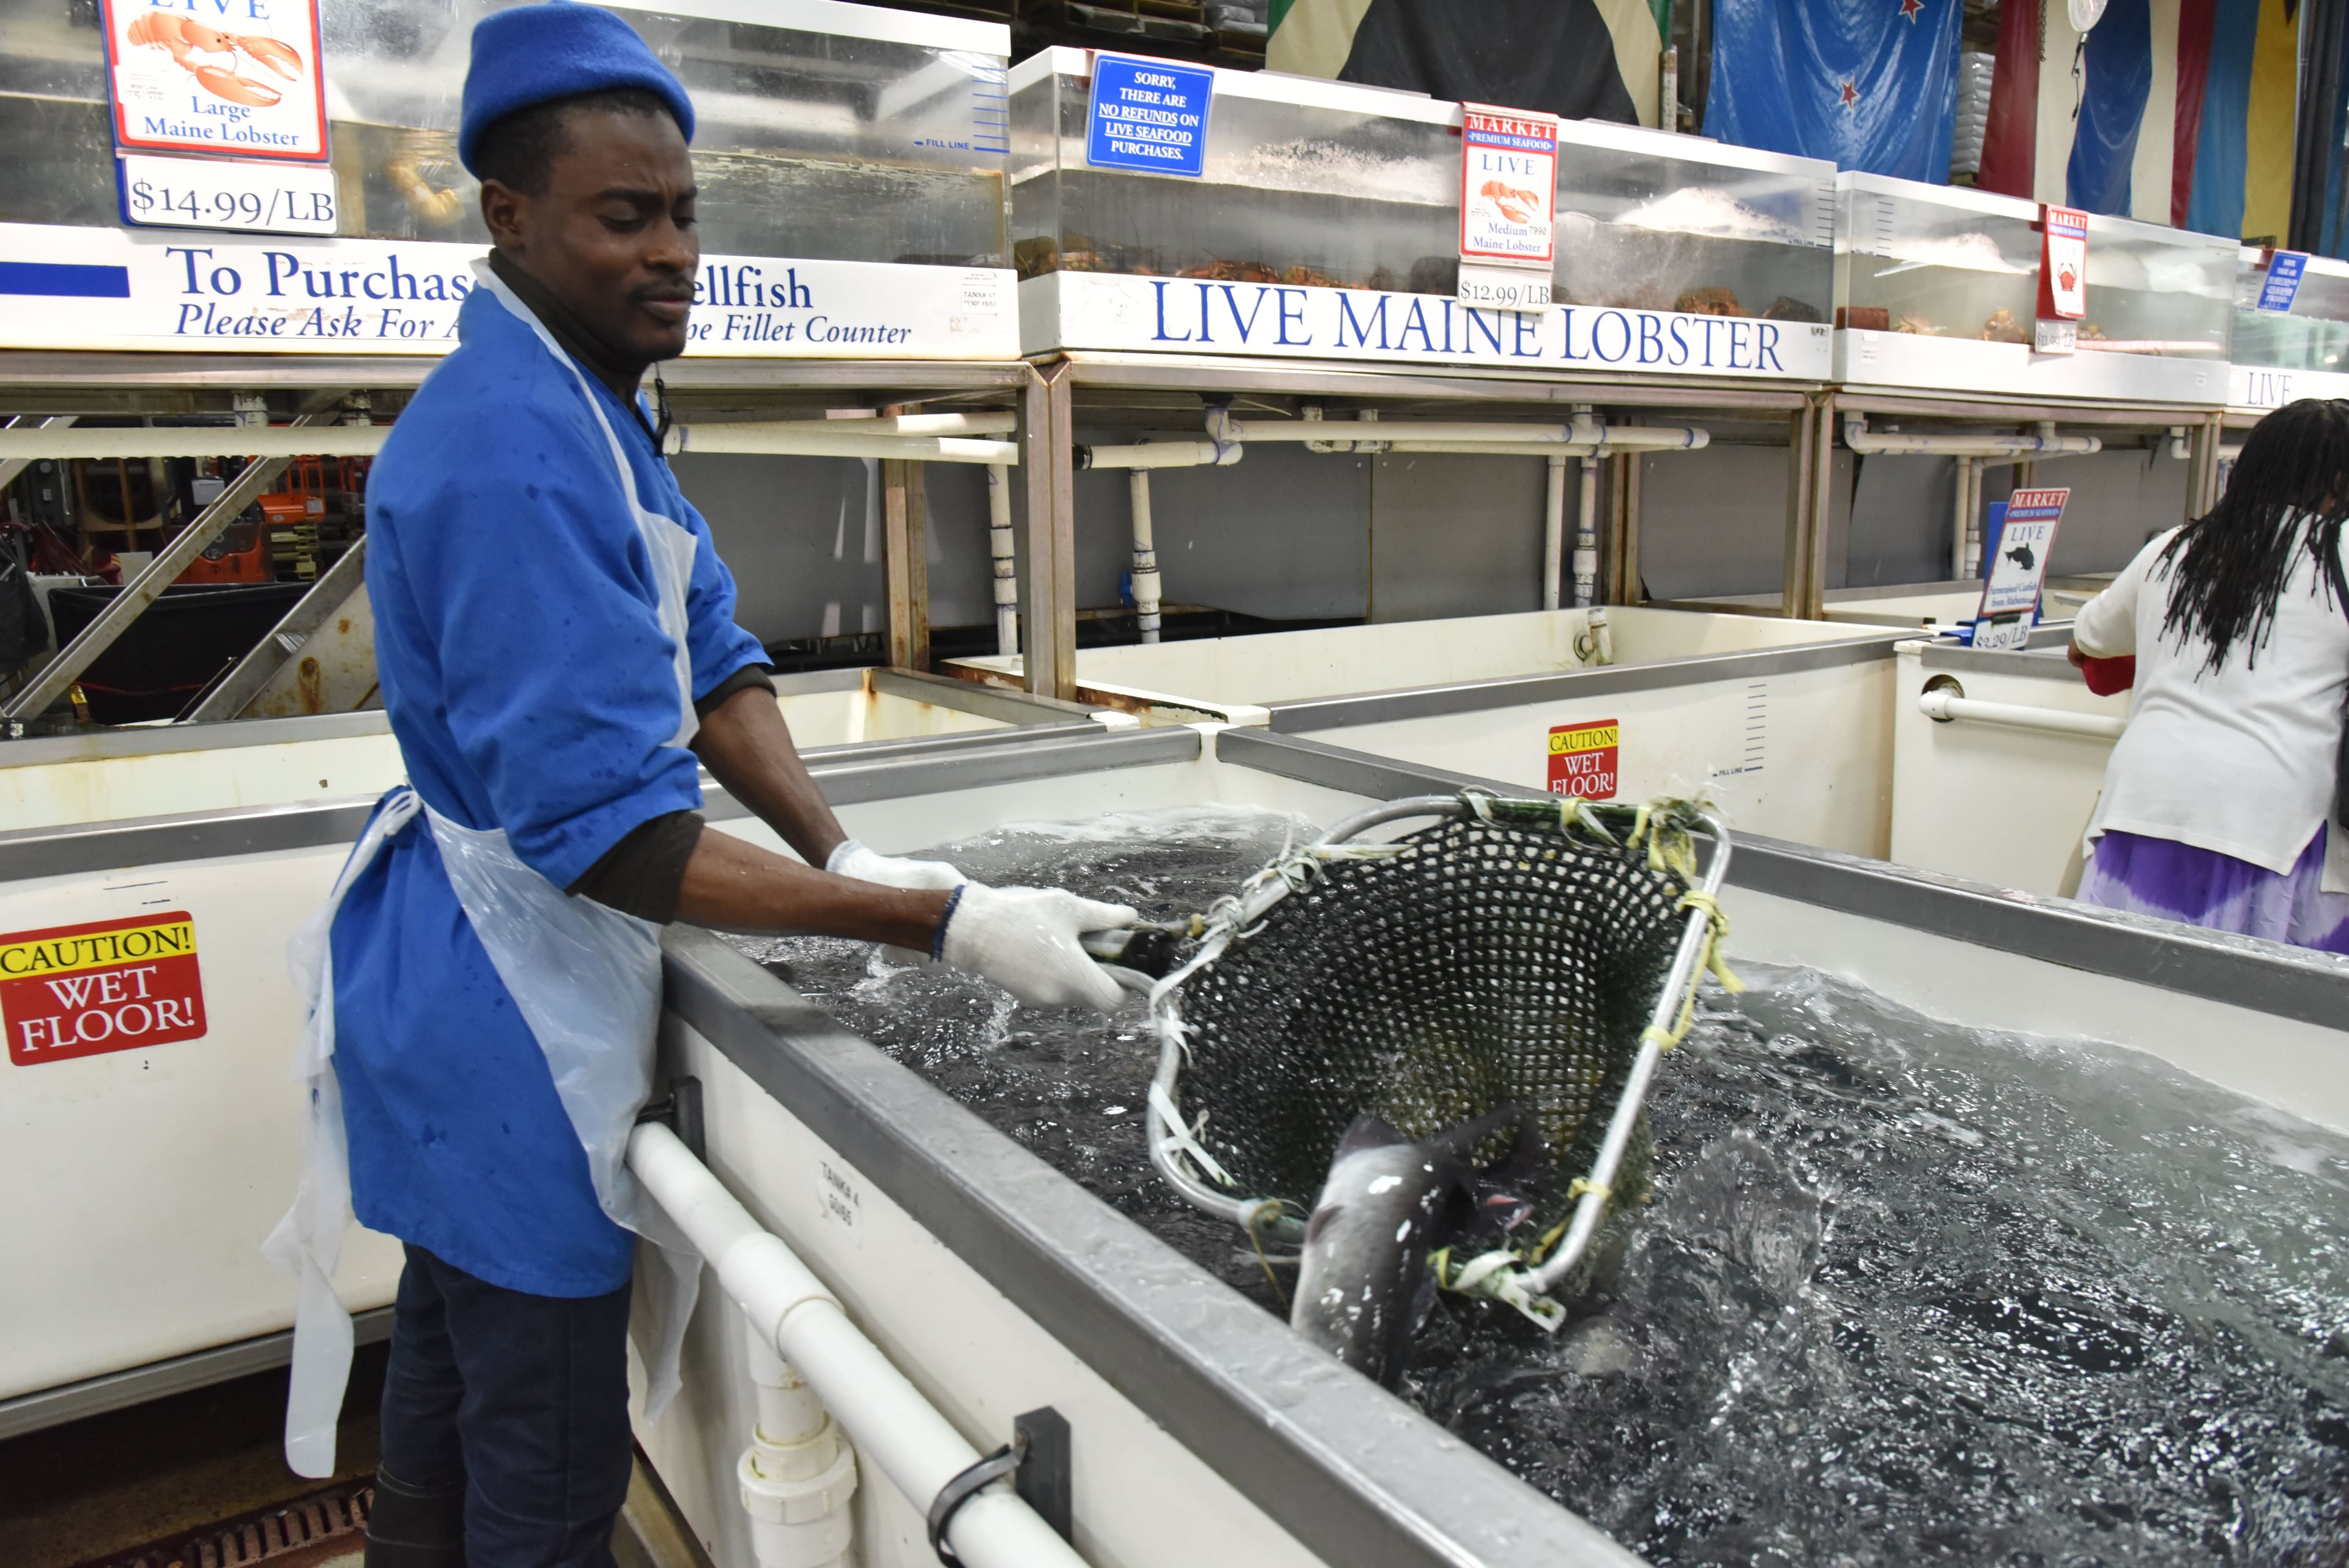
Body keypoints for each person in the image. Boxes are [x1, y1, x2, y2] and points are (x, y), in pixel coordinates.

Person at [259, 7, 1136, 1566]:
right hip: (493, 1020)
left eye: (682, 213)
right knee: (539, 1462)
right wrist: (930, 927)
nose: (673, 252)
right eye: (624, 216)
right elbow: (610, 836)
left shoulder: (596, 404)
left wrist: (860, 850)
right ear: (510, 214)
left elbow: (716, 672)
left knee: (449, 1383)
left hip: (452, 991)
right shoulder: (514, 449)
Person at [2068, 396, 2349, 952]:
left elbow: (2087, 641)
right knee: (2259, 1014)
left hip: (2145, 804)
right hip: (2275, 823)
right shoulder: (2338, 548)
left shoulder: (2173, 548)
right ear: (2339, 480)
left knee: (2117, 997)